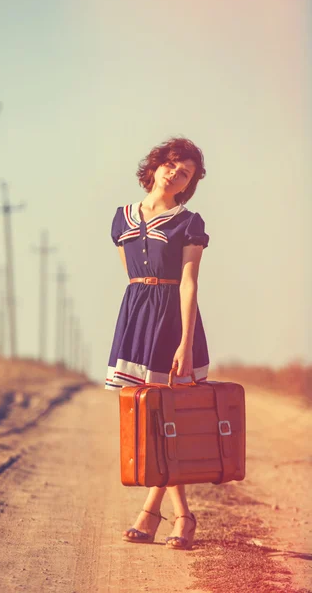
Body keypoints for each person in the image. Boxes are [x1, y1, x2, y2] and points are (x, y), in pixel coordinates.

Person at [105, 137, 210, 549]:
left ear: (188, 184)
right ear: (155, 166)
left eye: (184, 172)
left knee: (171, 421)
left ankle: (153, 512)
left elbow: (189, 282)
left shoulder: (189, 222)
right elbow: (130, 277)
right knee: (150, 422)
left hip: (172, 323)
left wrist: (185, 341)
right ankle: (182, 515)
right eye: (170, 165)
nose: (174, 174)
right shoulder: (122, 218)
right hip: (136, 319)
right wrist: (137, 316)